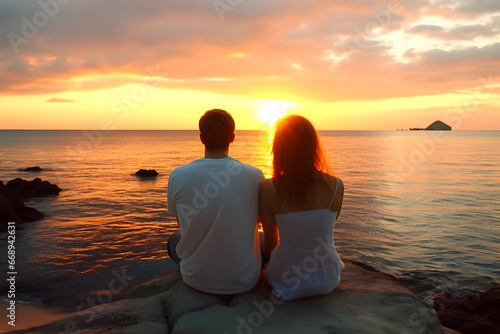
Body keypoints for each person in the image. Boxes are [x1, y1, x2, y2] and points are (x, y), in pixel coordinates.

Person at [166, 109, 264, 295]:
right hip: (245, 280)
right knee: (261, 240)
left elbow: (183, 224)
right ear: (232, 137)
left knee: (174, 239)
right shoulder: (255, 175)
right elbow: (259, 220)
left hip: (195, 279)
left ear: (202, 138)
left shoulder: (177, 174)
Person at [259, 115, 344, 301]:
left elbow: (271, 244)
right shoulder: (337, 185)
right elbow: (319, 232)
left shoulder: (268, 188)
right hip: (327, 277)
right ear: (313, 147)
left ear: (279, 148)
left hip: (286, 278)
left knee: (258, 238)